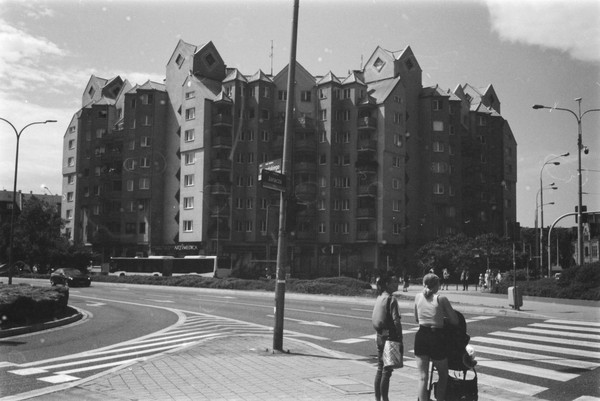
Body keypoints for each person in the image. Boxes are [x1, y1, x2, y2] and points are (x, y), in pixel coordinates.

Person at [414, 273, 459, 401]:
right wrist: (442, 319)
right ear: (437, 285)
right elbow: (455, 321)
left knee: (422, 377)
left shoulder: (417, 297)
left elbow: (417, 319)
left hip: (421, 336)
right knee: (443, 374)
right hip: (436, 337)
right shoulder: (441, 299)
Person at [372, 272, 403, 401]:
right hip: (390, 337)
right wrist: (400, 338)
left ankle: (377, 398)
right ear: (387, 284)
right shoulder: (391, 299)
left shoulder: (380, 297)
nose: (397, 284)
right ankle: (385, 399)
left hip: (380, 336)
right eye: (394, 282)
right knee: (387, 370)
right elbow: (396, 321)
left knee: (380, 368)